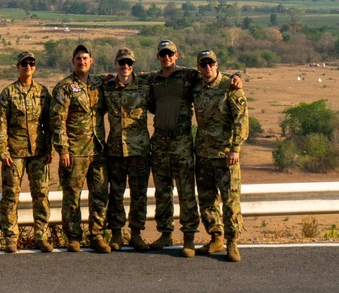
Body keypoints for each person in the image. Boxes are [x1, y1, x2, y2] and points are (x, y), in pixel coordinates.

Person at [146, 40, 242, 257]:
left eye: (170, 54)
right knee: (162, 192)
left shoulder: (189, 76)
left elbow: (216, 77)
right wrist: (109, 77)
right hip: (161, 142)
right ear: (158, 57)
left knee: (187, 192)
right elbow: (130, 75)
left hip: (184, 142)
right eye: (163, 54)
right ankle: (166, 233)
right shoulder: (153, 79)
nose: (166, 58)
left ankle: (190, 238)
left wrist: (237, 75)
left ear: (176, 55)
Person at [50, 44, 110, 253]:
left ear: (91, 61)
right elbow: (57, 121)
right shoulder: (64, 87)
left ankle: (97, 235)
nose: (82, 62)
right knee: (72, 196)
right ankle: (74, 237)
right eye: (78, 59)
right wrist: (63, 150)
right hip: (74, 151)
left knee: (100, 195)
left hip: (98, 150)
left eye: (85, 58)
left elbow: (126, 76)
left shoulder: (99, 83)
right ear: (73, 61)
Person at [192, 50, 249, 262]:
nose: (207, 67)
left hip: (226, 155)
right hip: (204, 153)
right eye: (203, 63)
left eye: (211, 63)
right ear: (198, 66)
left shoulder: (230, 87)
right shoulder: (196, 86)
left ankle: (232, 243)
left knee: (230, 201)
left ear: (217, 65)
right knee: (207, 200)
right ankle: (216, 237)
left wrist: (236, 148)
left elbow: (241, 120)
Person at [0, 51, 54, 253]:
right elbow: (0, 125)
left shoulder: (44, 92)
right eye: (24, 63)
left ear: (35, 67)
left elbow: (50, 123)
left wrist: (50, 148)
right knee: (11, 196)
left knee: (41, 195)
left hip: (38, 152)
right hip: (15, 153)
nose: (27, 66)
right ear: (18, 66)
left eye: (31, 63)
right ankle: (11, 238)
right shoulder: (8, 93)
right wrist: (3, 152)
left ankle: (41, 236)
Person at [100, 48, 152, 251]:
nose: (125, 67)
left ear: (134, 65)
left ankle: (137, 234)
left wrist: (235, 77)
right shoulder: (107, 87)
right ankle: (116, 234)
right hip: (115, 149)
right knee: (116, 194)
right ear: (116, 64)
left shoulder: (145, 87)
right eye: (122, 63)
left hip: (139, 150)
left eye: (129, 63)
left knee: (139, 193)